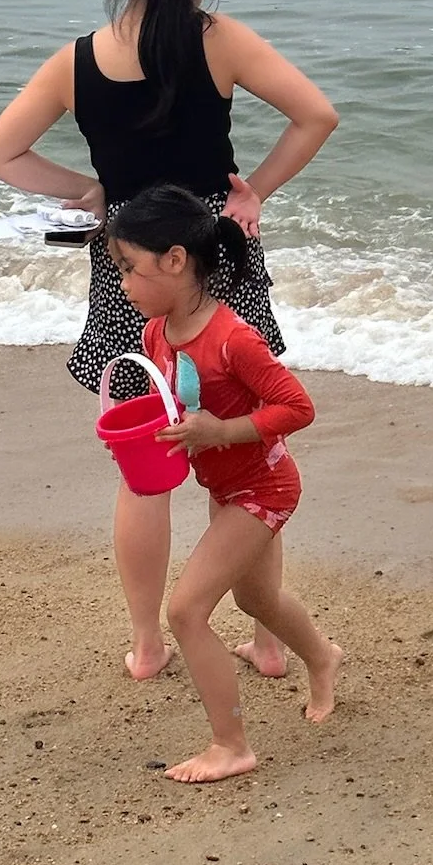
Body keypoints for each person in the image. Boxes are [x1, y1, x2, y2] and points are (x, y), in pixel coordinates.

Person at [0, 0, 338, 683]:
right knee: (241, 451)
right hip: (214, 257)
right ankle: (270, 640)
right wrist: (254, 194)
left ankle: (147, 643)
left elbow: (0, 153)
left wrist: (99, 193)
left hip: (129, 262)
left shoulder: (76, 60)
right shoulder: (224, 42)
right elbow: (316, 115)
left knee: (144, 461)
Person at [106, 186, 342, 782]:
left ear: (176, 260)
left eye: (130, 269)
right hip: (225, 485)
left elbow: (297, 406)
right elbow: (181, 406)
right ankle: (323, 657)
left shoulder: (234, 339)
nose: (124, 285)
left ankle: (230, 745)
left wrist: (222, 432)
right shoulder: (157, 334)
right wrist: (158, 437)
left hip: (263, 487)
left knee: (185, 612)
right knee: (255, 599)